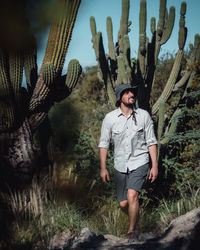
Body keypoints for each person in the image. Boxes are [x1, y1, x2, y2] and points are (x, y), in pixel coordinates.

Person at [98, 83, 158, 243]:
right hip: (120, 165)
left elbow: (151, 142)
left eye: (133, 92)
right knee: (123, 203)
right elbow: (104, 144)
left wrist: (155, 165)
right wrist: (103, 168)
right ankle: (135, 217)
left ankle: (132, 230)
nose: (132, 94)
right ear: (120, 97)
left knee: (132, 195)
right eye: (127, 92)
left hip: (140, 161)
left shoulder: (143, 115)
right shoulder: (110, 118)